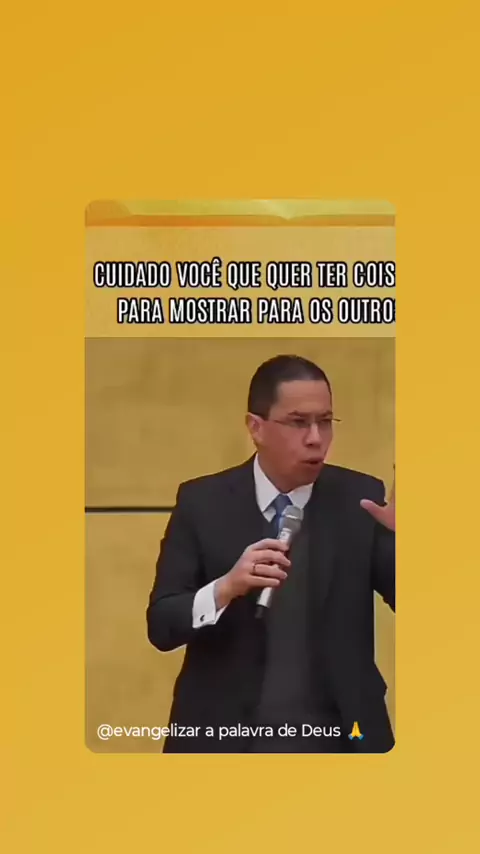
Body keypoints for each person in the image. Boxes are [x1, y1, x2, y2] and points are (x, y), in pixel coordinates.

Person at [147, 355, 395, 753]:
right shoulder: (203, 502)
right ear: (255, 428)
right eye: (298, 422)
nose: (315, 438)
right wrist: (225, 588)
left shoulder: (360, 498)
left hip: (339, 739)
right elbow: (161, 625)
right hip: (226, 740)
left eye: (325, 421)